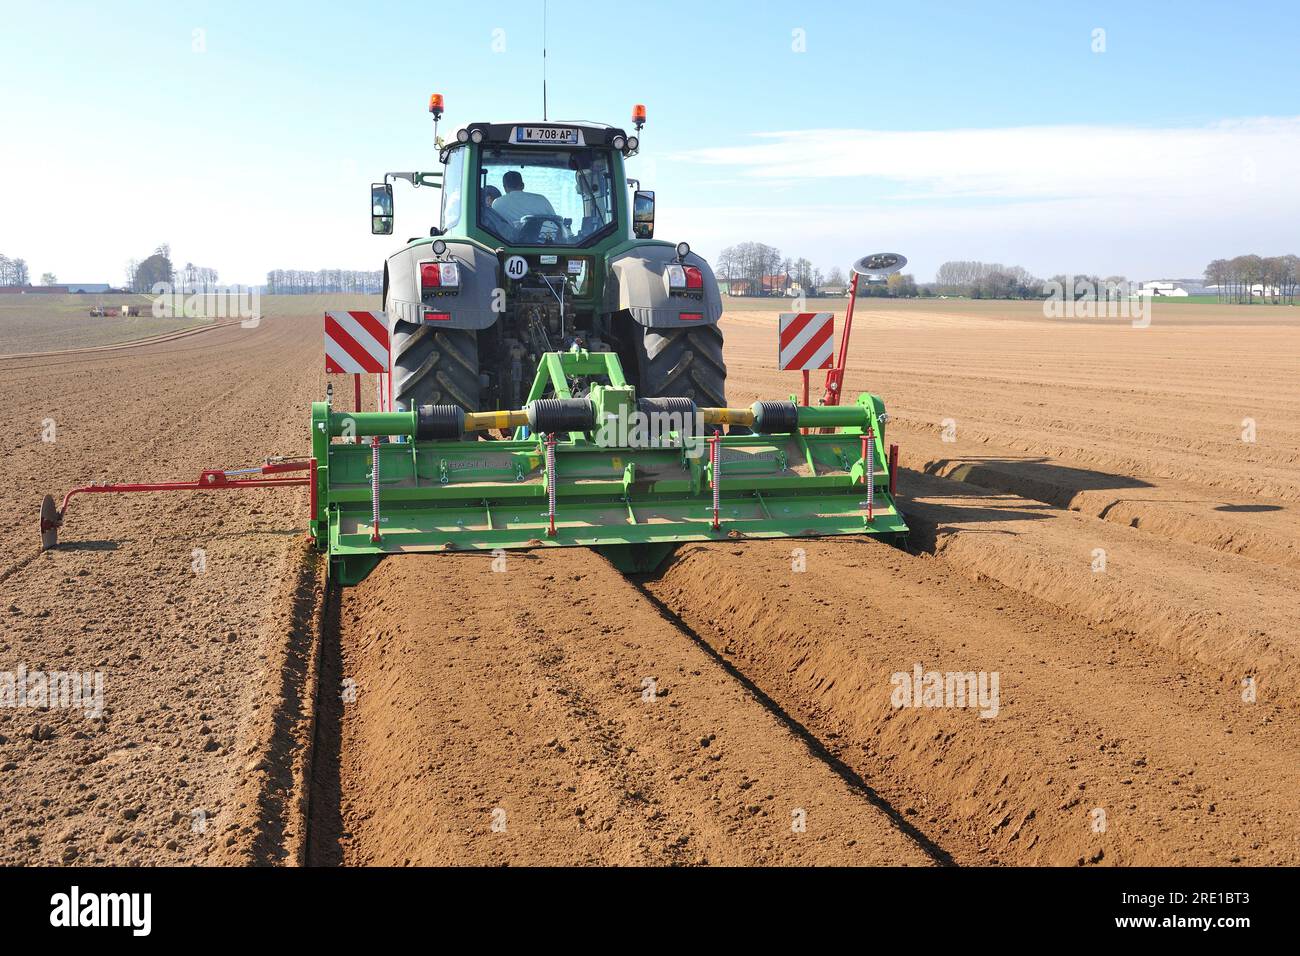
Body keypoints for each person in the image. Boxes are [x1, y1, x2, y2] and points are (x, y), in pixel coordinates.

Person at [491, 170, 556, 222]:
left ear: (504, 187)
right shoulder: (542, 199)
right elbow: (556, 223)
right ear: (523, 185)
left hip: (502, 239)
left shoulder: (497, 203)